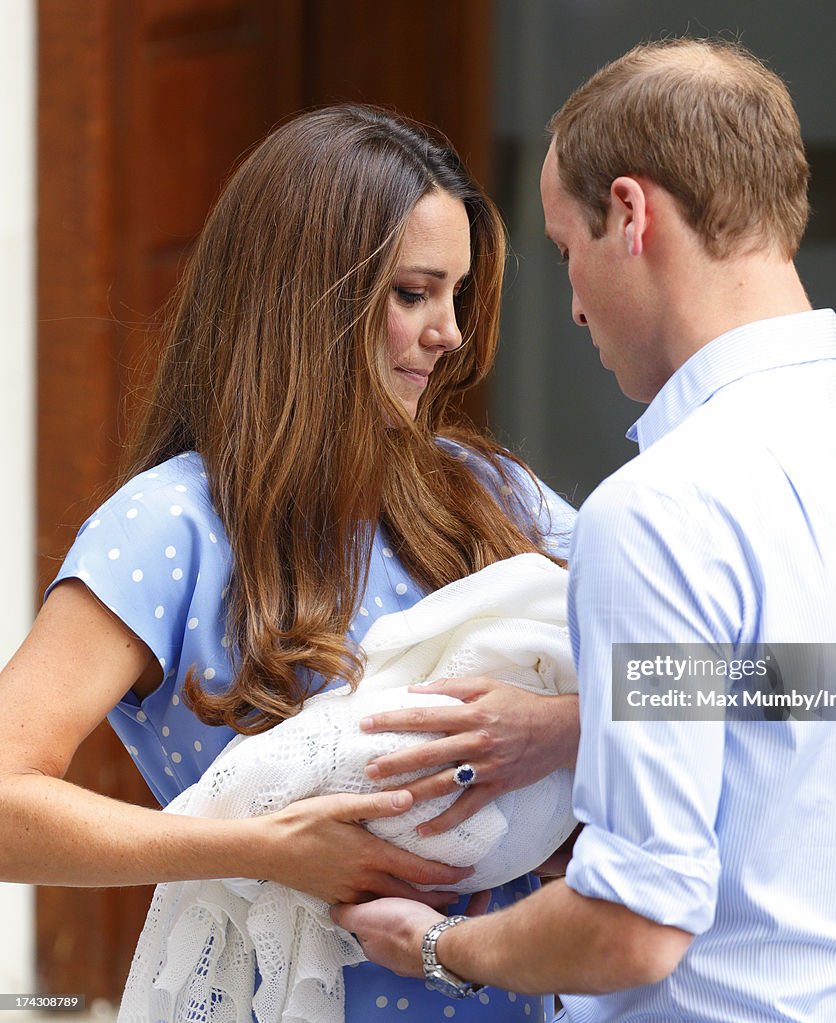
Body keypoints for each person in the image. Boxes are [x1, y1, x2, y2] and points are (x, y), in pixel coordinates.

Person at [335, 37, 836, 1022]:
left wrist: (439, 945)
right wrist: (592, 730)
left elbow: (633, 928)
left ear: (629, 213)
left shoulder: (658, 510)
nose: (571, 306)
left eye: (567, 251)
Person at [0, 104, 578, 1021]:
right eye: (413, 293)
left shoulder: (491, 492)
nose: (451, 334)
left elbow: (703, 684)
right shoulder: (170, 524)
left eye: (457, 296)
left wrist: (564, 737)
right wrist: (263, 846)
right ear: (311, 296)